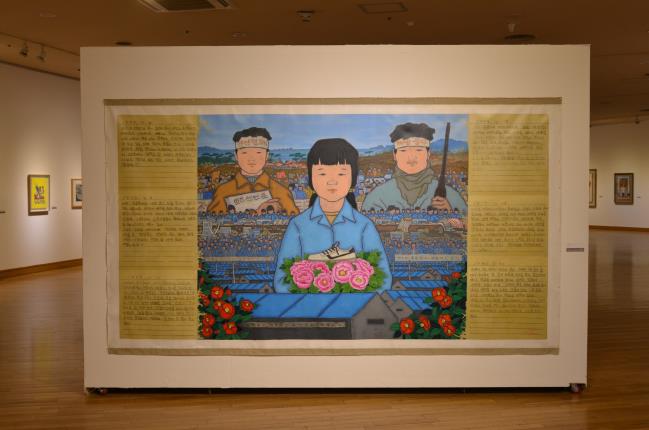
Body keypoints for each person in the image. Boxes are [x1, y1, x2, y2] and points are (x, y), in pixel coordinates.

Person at [273, 138, 392, 293]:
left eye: (341, 173)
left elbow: (383, 281)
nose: (331, 181)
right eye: (322, 173)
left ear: (353, 178)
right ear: (311, 178)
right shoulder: (297, 225)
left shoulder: (364, 226)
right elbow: (281, 281)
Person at [361, 122, 467, 212]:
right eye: (404, 150)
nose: (411, 157)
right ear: (395, 155)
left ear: (428, 154)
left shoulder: (452, 196)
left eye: (419, 150)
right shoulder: (376, 198)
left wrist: (450, 212)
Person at [206, 127, 299, 215]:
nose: (251, 159)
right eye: (244, 153)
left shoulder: (282, 191)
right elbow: (213, 220)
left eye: (258, 152)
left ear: (267, 155)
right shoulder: (223, 191)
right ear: (236, 155)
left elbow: (294, 221)